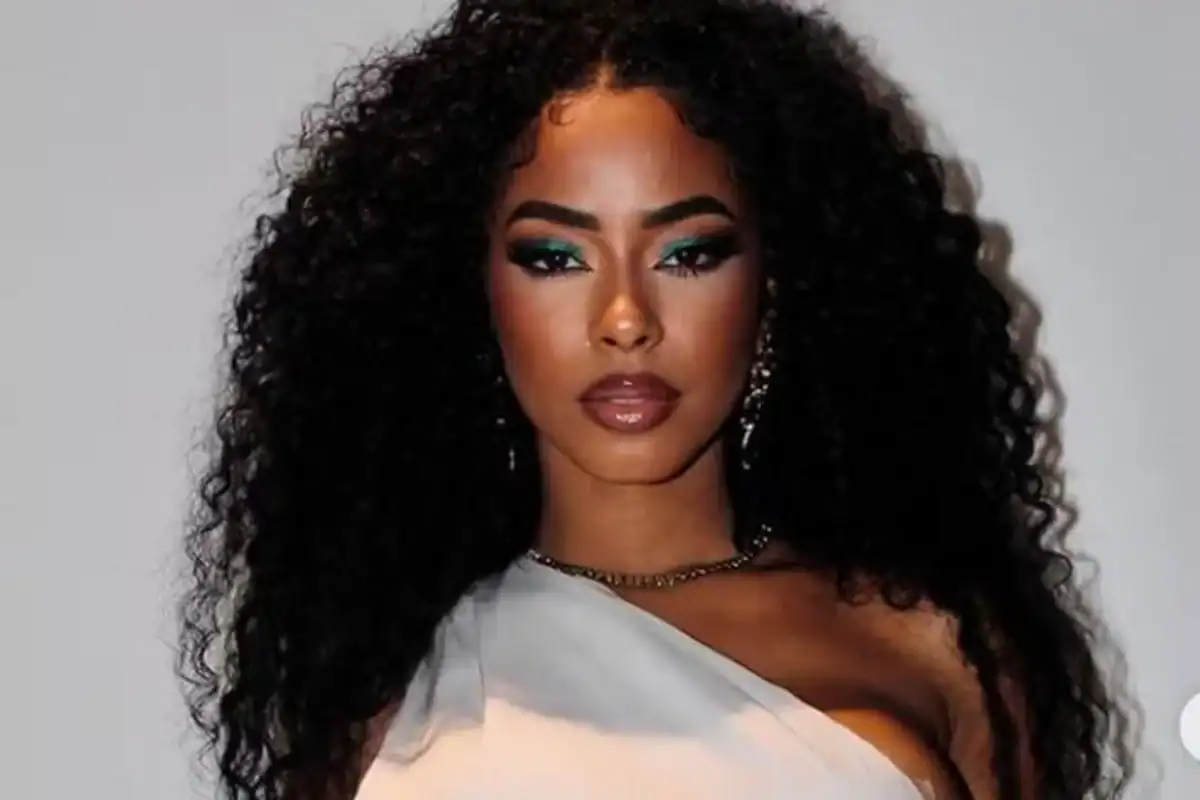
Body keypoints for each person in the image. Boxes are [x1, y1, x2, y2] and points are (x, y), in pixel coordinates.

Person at [178, 1, 1132, 798]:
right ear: (472, 293)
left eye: (689, 253)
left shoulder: (937, 653)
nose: (626, 318)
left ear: (776, 284)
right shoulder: (390, 698)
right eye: (555, 257)